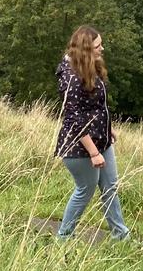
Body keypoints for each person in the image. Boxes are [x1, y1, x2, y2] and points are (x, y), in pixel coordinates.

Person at [54, 25, 131, 241]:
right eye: (98, 46)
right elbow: (74, 119)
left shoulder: (89, 67)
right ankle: (63, 237)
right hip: (79, 148)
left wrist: (108, 128)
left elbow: (95, 107)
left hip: (101, 141)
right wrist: (94, 152)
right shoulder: (70, 76)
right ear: (86, 49)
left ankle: (121, 236)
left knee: (110, 188)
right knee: (85, 191)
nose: (102, 49)